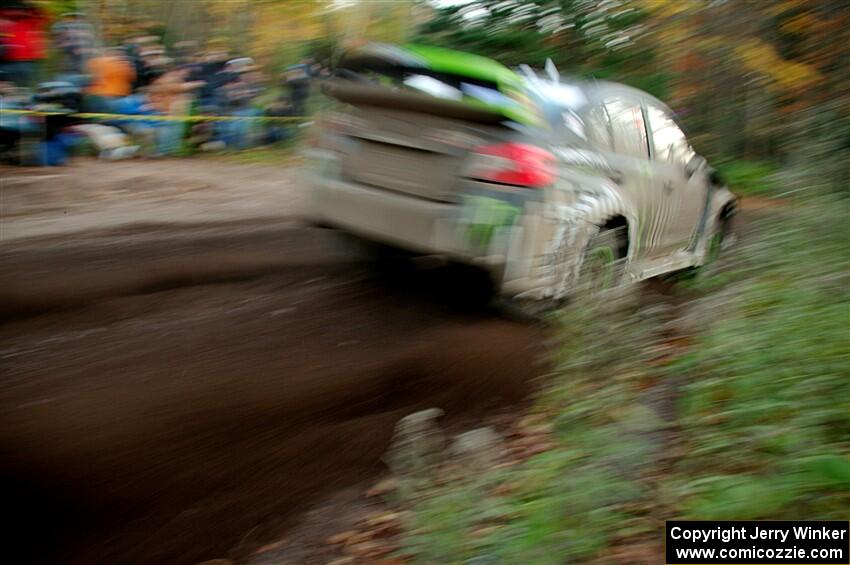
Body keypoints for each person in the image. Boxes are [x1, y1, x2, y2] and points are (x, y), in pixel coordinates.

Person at [84, 47, 135, 113]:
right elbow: (132, 78)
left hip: (97, 94)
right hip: (118, 95)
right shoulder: (125, 64)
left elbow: (89, 73)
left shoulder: (95, 62)